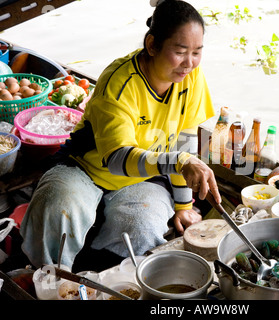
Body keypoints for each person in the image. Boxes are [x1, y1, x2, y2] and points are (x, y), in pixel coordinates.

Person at [20, 0, 221, 270]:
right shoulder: (119, 81)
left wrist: (184, 205)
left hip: (144, 177)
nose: (190, 63)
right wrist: (178, 162)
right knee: (56, 205)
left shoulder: (191, 79)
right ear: (152, 45)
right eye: (181, 51)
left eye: (197, 52)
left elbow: (183, 140)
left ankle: (109, 280)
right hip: (85, 168)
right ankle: (48, 278)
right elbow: (117, 158)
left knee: (142, 225)